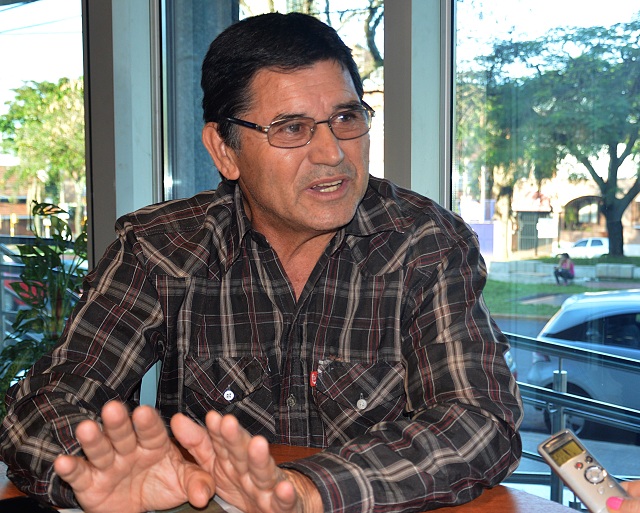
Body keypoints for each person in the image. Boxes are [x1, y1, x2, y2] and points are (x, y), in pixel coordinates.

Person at [0, 12, 523, 513]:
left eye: (346, 118)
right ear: (224, 151)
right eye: (292, 128)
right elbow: (42, 407)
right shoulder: (162, 248)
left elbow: (478, 420)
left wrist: (309, 493)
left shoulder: (423, 242)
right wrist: (92, 467)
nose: (332, 153)